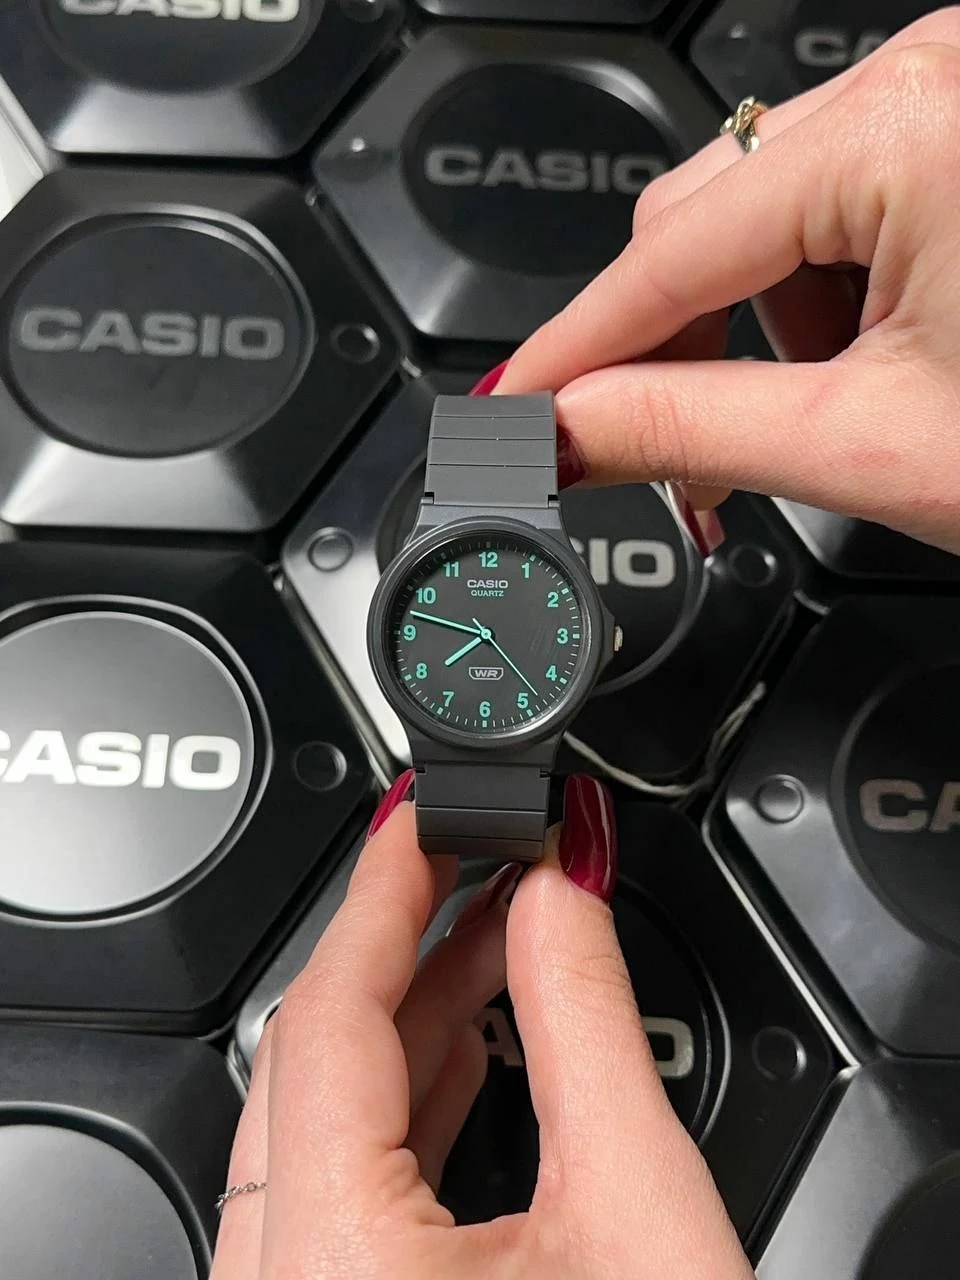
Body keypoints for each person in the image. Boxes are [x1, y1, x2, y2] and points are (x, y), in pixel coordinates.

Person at [211, 10, 960, 1277]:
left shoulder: (509, 612)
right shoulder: (513, 615)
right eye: (453, 617)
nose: (484, 625)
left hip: (495, 732)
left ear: (587, 629)